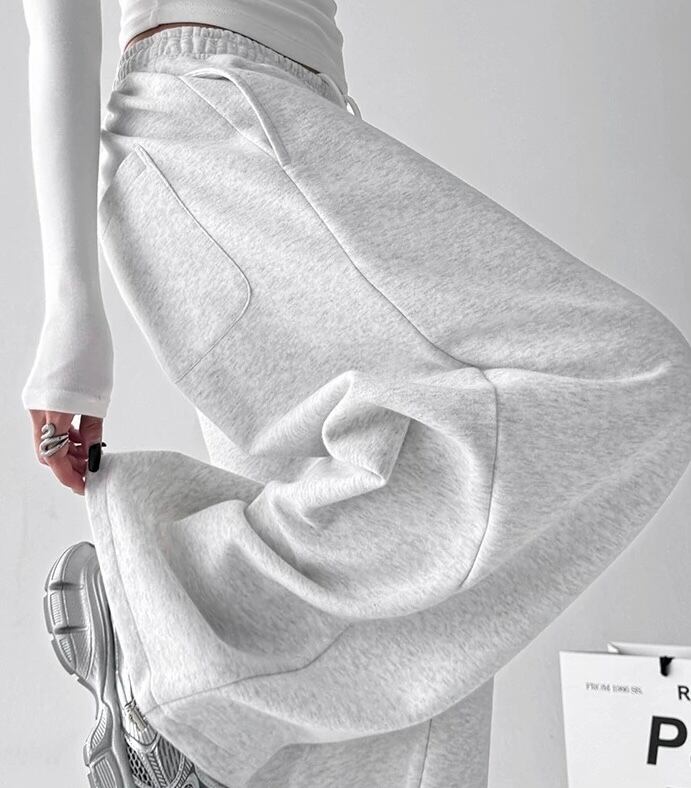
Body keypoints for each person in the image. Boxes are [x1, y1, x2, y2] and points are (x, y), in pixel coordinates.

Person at [21, 2, 691, 787]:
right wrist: (70, 306)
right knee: (625, 374)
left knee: (408, 650)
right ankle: (178, 632)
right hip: (224, 116)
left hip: (262, 130)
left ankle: (181, 714)